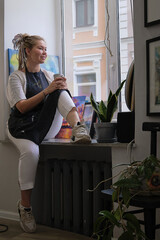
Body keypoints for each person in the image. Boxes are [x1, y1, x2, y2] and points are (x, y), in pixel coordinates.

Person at [6, 33, 91, 233]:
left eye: (46, 49)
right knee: (31, 153)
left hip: (44, 125)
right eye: (40, 48)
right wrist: (47, 91)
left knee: (60, 89)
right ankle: (25, 207)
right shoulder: (16, 77)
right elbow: (20, 108)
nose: (45, 52)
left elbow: (56, 98)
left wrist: (59, 88)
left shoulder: (47, 75)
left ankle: (78, 128)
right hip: (22, 127)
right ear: (27, 51)